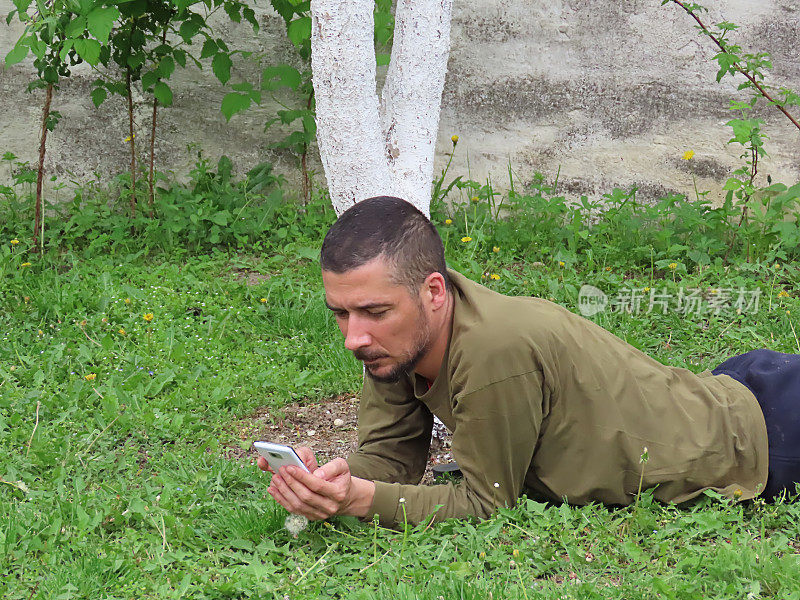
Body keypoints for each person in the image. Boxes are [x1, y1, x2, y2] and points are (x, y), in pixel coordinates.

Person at [258, 196, 800, 528]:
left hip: (761, 439)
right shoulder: (390, 345)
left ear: (434, 292)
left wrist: (361, 502)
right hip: (724, 390)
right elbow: (391, 460)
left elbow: (485, 505)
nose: (354, 337)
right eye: (342, 313)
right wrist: (328, 480)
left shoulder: (495, 349)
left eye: (373, 311)